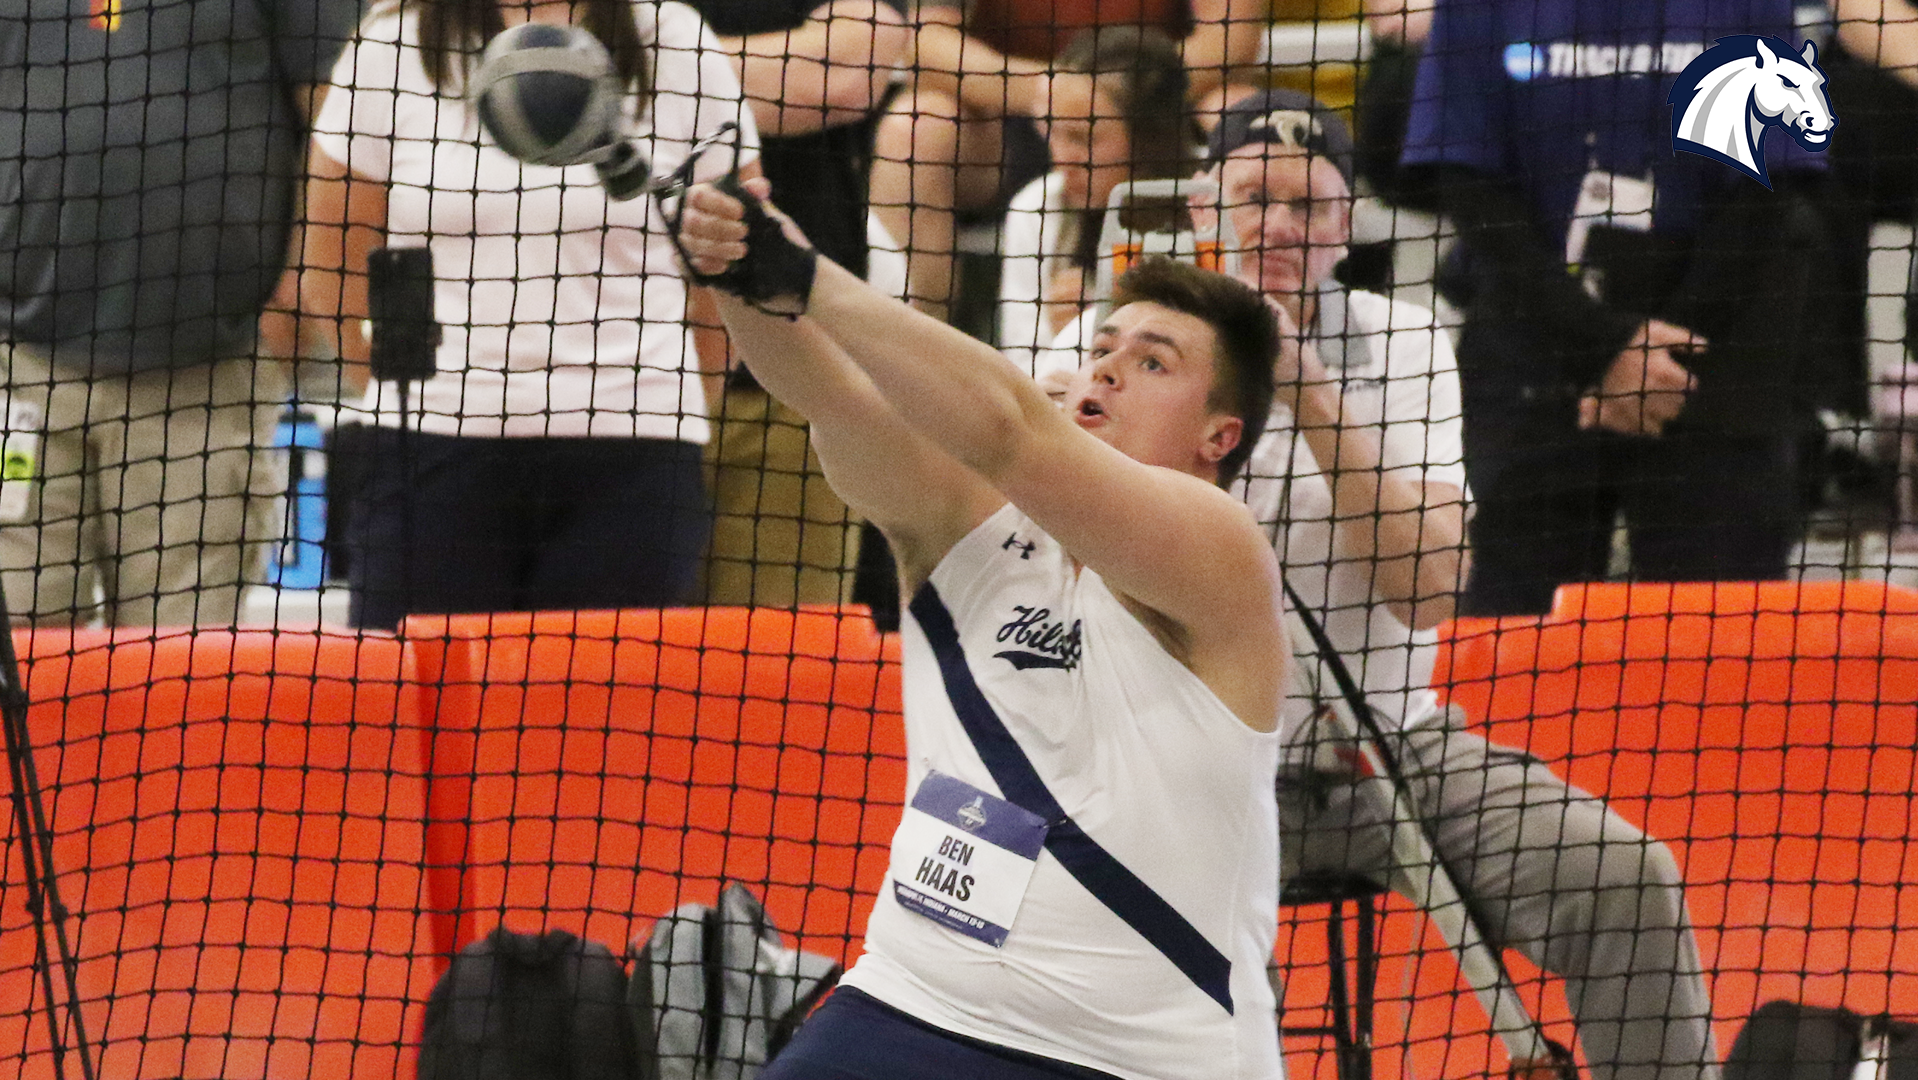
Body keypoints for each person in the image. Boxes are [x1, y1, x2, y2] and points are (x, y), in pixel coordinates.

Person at [672, 173, 1290, 1079]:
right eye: (1103, 346)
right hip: (910, 999)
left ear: (1219, 439)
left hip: (1136, 1056)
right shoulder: (966, 528)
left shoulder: (1220, 553)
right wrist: (735, 275)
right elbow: (833, 393)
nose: (1107, 367)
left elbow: (1011, 433)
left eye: (1154, 363)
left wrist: (807, 276)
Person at [1197, 91, 1722, 1080]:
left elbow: (1427, 589)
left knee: (1623, 877)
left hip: (1393, 753)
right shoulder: (1112, 347)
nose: (1275, 227)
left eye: (1307, 207)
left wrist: (1303, 384)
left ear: (1342, 228)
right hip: (1183, 768)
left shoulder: (1401, 345)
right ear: (1199, 210)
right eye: (1251, 198)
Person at [293, 0, 757, 629]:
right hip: (430, 452)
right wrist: (393, 385)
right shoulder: (395, 40)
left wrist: (670, 397)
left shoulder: (669, 38)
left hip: (632, 461)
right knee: (421, 712)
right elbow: (336, 248)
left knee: (599, 718)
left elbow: (733, 253)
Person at [1400, 0, 1840, 617]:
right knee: (1515, 656)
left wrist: (1661, 353)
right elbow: (1469, 183)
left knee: (1718, 660)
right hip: (1538, 350)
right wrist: (1602, 347)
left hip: (1715, 357)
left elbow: (1769, 186)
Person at [0, 0, 361, 626]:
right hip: (18, 371)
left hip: (205, 377)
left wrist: (299, 294)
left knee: (179, 686)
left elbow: (342, 115)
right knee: (17, 667)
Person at [690, 0, 911, 608]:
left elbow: (840, 75)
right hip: (611, 388)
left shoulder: (652, 43)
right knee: (599, 671)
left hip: (797, 390)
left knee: (779, 676)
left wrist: (648, 72)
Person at [871, 0, 1268, 323]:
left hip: (1154, 108)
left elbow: (1232, 36)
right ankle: (911, 356)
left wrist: (1124, 86)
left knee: (1245, 119)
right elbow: (925, 42)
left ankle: (1251, 338)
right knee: (915, 128)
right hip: (1008, 109)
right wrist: (1061, 94)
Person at [998, 26, 1200, 371]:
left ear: (1151, 139)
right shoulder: (1036, 208)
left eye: (1082, 137)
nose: (1061, 157)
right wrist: (1070, 338)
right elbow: (1021, 371)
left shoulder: (1217, 206)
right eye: (1052, 131)